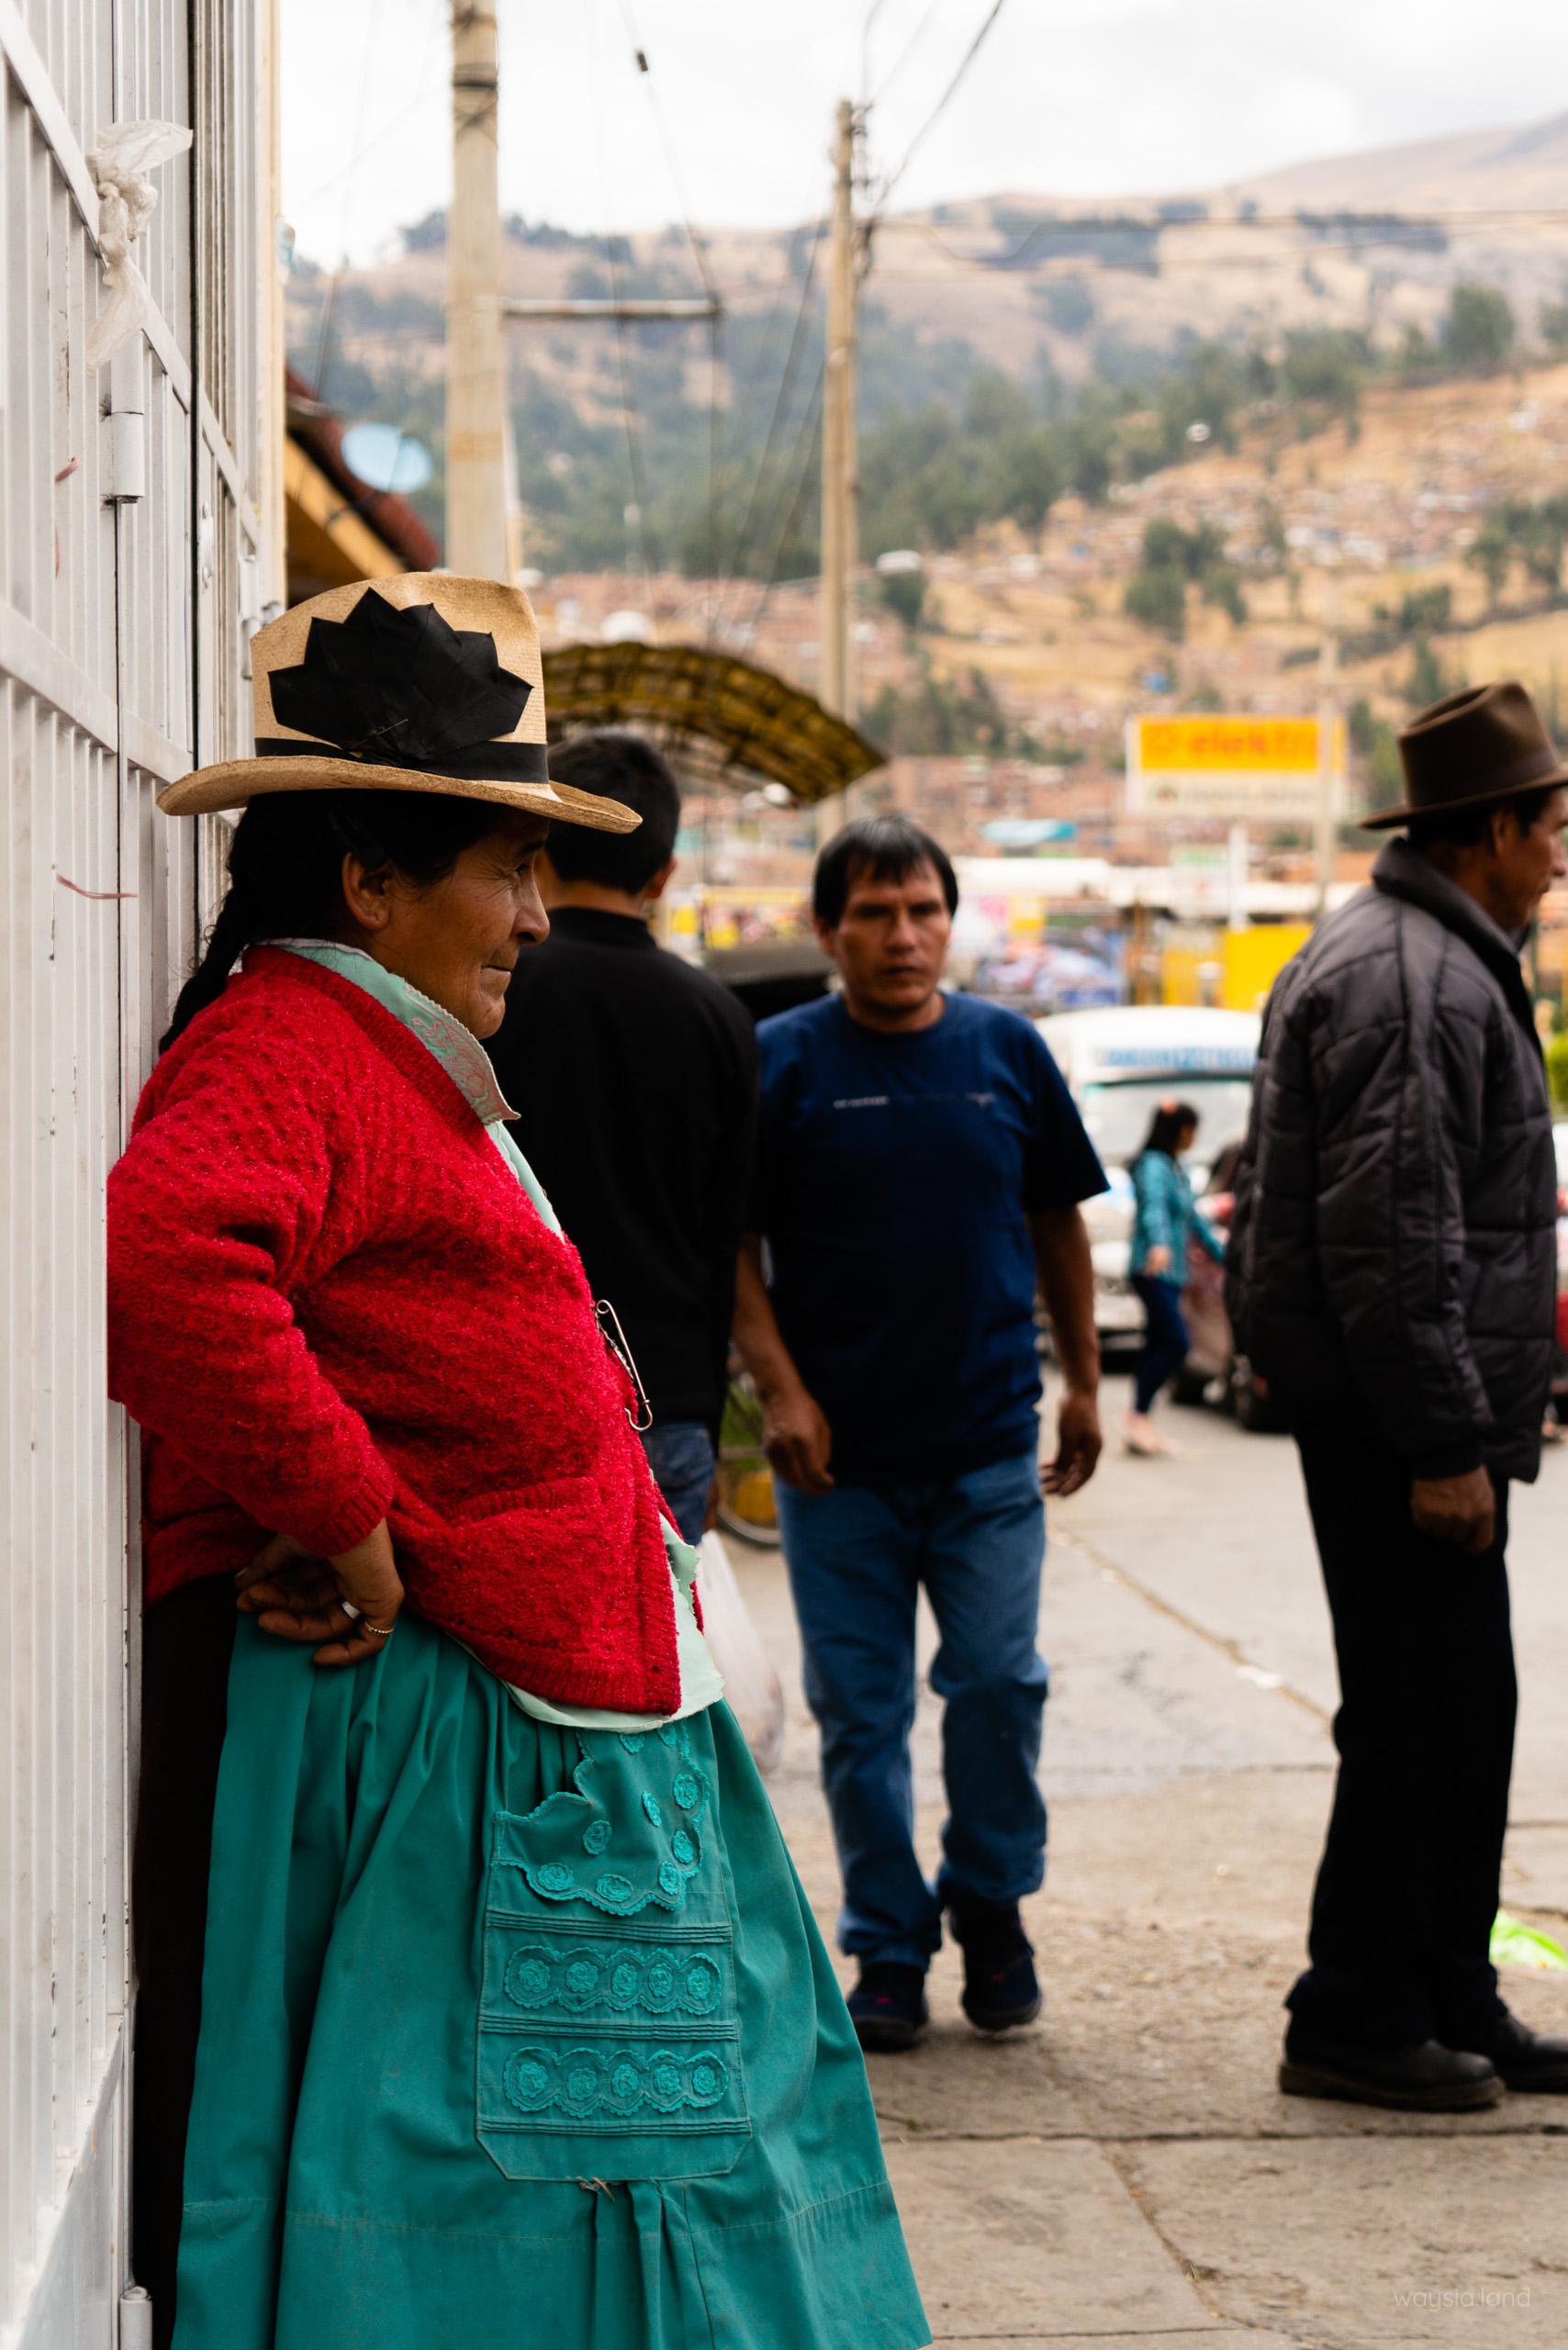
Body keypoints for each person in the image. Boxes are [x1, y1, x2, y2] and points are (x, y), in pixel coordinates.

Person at [108, 576, 928, 2350]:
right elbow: (172, 1257)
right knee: (481, 2189)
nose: (536, 918)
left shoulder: (373, 1050)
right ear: (368, 881)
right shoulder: (289, 1042)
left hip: (543, 1708)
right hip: (448, 1731)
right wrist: (355, 1521)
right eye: (503, 870)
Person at [1227, 678, 1568, 2112]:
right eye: (1551, 826)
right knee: (1419, 1710)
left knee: (1458, 1707)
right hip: (1394, 1421)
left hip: (1414, 1409)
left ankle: (1448, 1988)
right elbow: (1394, 1235)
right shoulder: (1412, 975)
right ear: (1490, 830)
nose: (1560, 853)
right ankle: (1356, 2011)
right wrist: (1442, 1444)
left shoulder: (1431, 949)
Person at [731, 814, 1106, 2053]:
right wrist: (782, 1392)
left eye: (925, 910)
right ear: (828, 928)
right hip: (838, 1468)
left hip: (990, 1445)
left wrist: (1088, 1383)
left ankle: (991, 1906)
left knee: (1000, 1682)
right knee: (862, 1717)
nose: (905, 936)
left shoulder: (1008, 1052)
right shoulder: (781, 1062)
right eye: (877, 914)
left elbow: (1058, 1220)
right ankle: (888, 1943)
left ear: (953, 919)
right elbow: (734, 1251)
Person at [486, 732, 757, 1545]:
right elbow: (728, 1240)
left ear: (540, 846)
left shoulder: (493, 984)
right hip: (668, 1401)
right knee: (658, 1659)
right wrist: (704, 1425)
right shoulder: (722, 1018)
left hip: (521, 1393)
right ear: (664, 873)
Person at [1122, 1099, 1226, 1456]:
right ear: (1183, 1131)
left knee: (1156, 1343)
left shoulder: (1176, 1167)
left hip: (1173, 1272)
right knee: (1176, 1343)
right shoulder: (1153, 1167)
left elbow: (1196, 1220)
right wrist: (1160, 1246)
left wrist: (1228, 1256)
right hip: (1153, 1269)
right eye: (1193, 1131)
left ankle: (1140, 1420)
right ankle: (1136, 1416)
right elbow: (1153, 1209)